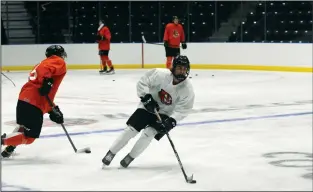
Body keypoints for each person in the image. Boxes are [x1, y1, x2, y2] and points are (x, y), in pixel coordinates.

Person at [101, 55, 195, 168]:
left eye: (185, 69)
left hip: (165, 113)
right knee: (131, 130)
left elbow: (184, 109)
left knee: (148, 134)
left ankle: (130, 157)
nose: (182, 71)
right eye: (180, 68)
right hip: (147, 106)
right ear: (173, 67)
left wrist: (172, 121)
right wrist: (146, 97)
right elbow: (143, 82)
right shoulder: (160, 74)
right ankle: (111, 153)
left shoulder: (187, 89)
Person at [1, 45, 67, 158]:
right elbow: (44, 80)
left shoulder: (41, 63)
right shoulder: (57, 60)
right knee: (30, 137)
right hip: (34, 103)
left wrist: (53, 110)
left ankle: (10, 148)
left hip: (25, 99)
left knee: (24, 127)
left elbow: (42, 91)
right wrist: (47, 80)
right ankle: (4, 141)